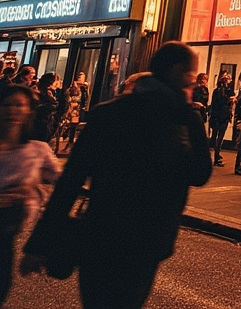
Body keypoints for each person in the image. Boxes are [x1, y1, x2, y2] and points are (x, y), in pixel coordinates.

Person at [21, 41, 212, 309]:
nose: (193, 86)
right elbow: (201, 173)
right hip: (147, 239)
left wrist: (38, 243)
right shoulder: (180, 119)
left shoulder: (107, 114)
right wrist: (192, 116)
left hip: (102, 233)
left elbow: (70, 181)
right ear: (178, 72)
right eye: (192, 78)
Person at [0, 86, 60, 305]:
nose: (13, 111)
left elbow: (64, 183)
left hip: (6, 237)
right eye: (7, 105)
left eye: (19, 105)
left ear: (28, 111)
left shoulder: (37, 150)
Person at [208, 72, 234, 166]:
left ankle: (216, 155)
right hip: (222, 116)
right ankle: (216, 155)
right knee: (219, 137)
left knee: (215, 136)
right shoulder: (223, 92)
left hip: (217, 116)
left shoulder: (218, 91)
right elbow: (222, 102)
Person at [30, 74, 60, 146]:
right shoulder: (40, 93)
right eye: (56, 82)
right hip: (40, 126)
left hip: (45, 125)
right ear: (50, 84)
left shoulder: (50, 93)